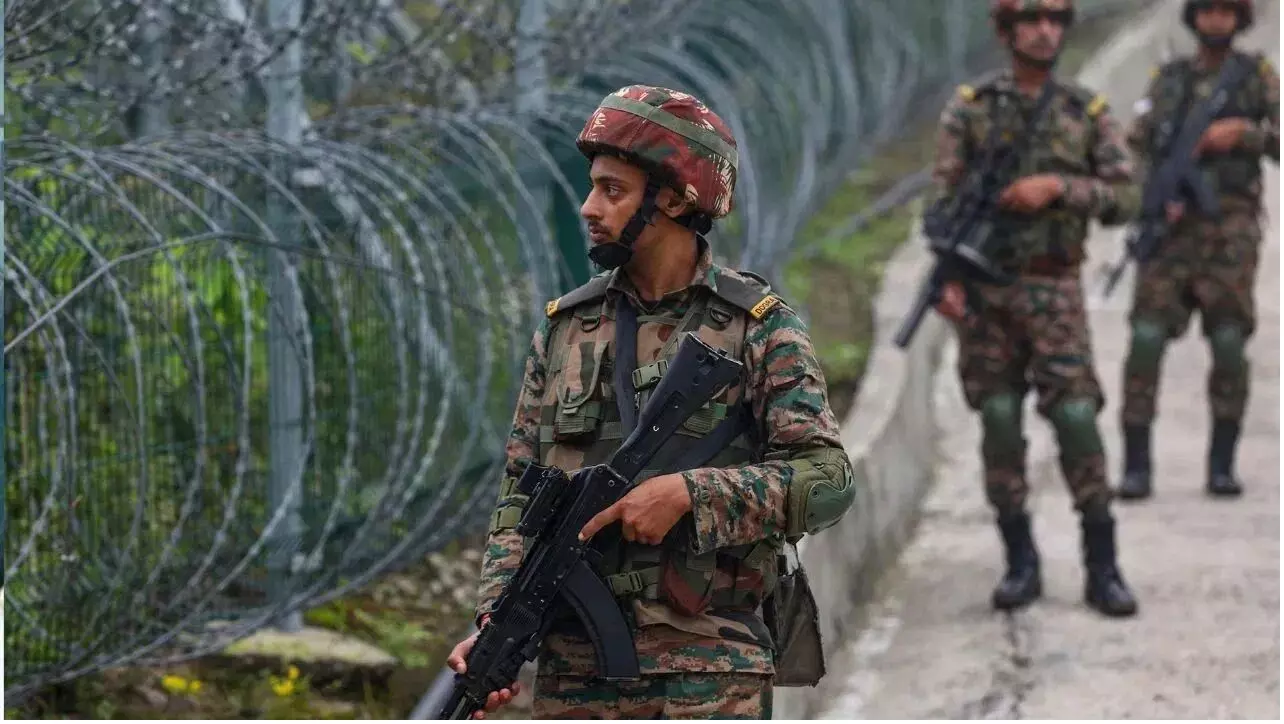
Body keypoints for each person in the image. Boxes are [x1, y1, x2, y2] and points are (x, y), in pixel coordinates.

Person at [447, 85, 856, 719]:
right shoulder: (565, 331)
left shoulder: (757, 328)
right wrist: (497, 622)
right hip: (574, 678)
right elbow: (518, 498)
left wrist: (690, 496)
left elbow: (828, 481)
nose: (589, 208)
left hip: (711, 675)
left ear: (674, 198)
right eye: (592, 188)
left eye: (612, 190)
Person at [929, 0, 1140, 618]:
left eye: (1056, 19)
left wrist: (1059, 188)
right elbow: (941, 204)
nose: (1046, 31)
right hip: (987, 294)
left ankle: (1102, 562)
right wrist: (947, 279)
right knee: (998, 418)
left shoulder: (1084, 112)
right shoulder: (971, 111)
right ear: (1006, 29)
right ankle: (1019, 560)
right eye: (1032, 19)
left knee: (1075, 417)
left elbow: (1127, 196)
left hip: (1054, 290)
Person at [1115, 0, 1279, 501]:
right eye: (1207, 10)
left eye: (1226, 11)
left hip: (1228, 231)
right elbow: (1136, 148)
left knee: (1228, 343)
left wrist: (1246, 134)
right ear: (1194, 17)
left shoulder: (1256, 78)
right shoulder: (1169, 79)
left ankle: (1222, 465)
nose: (1216, 19)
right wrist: (1149, 197)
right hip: (1170, 232)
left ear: (1240, 18)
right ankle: (1136, 465)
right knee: (1145, 339)